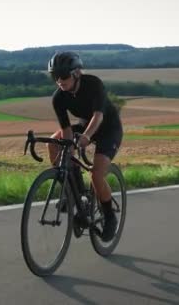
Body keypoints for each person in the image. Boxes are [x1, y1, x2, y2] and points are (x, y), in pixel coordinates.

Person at [46, 51, 123, 242]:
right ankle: (74, 192)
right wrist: (69, 147)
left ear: (76, 73)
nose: (59, 81)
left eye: (63, 76)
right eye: (55, 77)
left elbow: (98, 116)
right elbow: (65, 129)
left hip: (107, 128)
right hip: (85, 124)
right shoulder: (59, 98)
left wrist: (87, 136)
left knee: (96, 175)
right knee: (54, 143)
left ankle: (109, 216)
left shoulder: (93, 84)